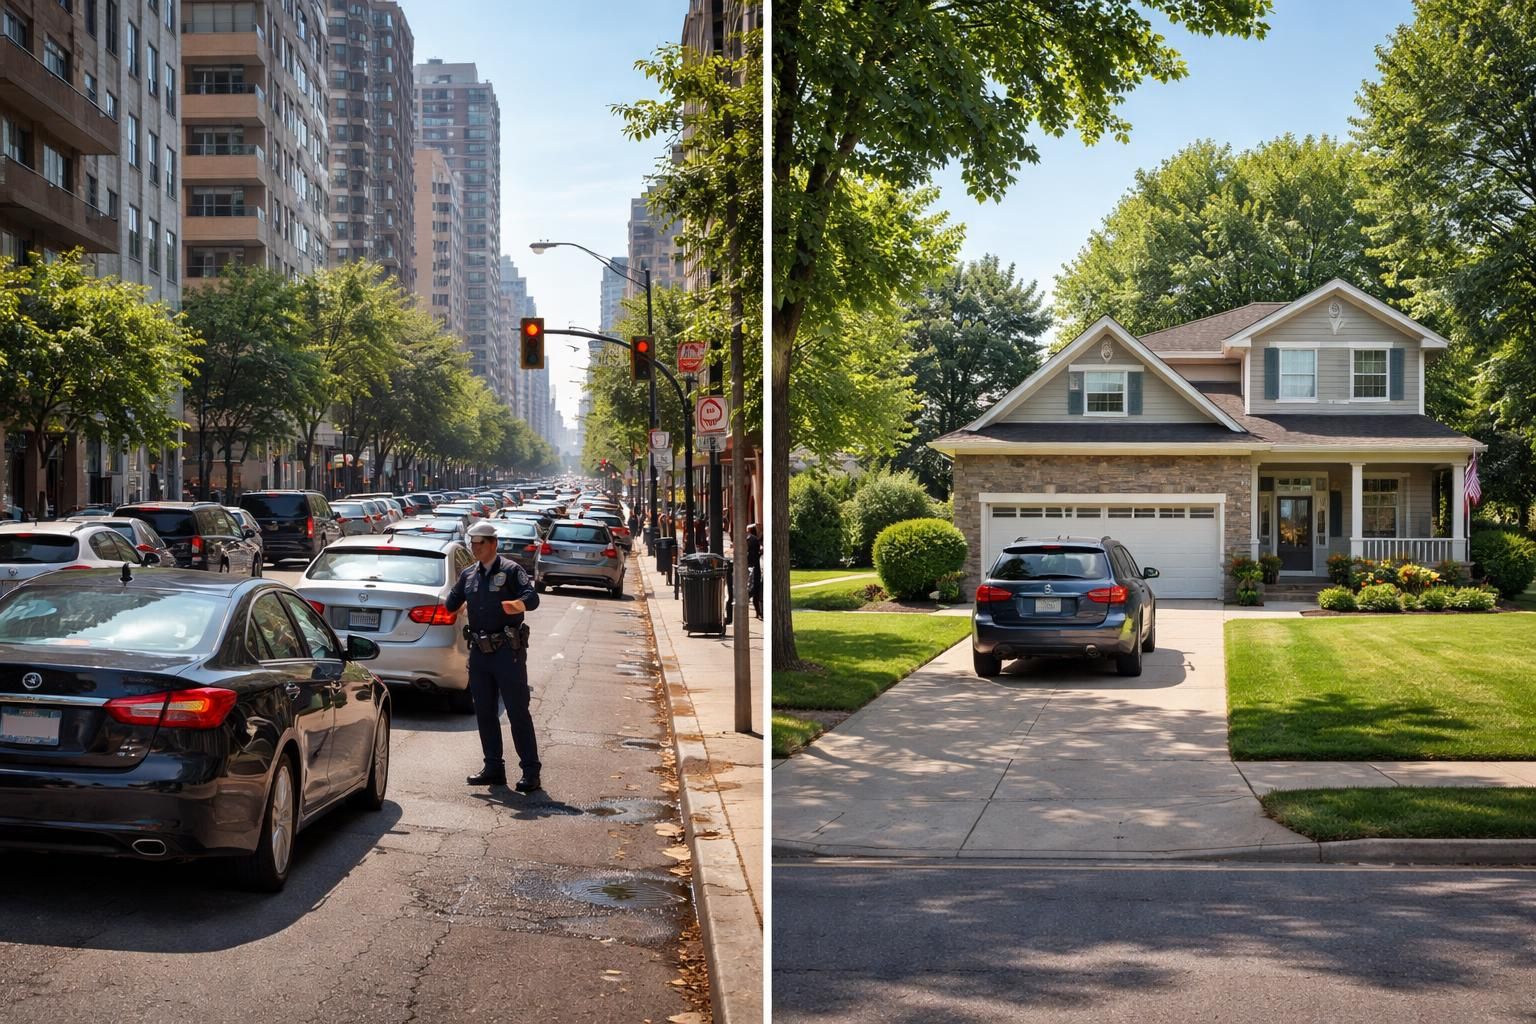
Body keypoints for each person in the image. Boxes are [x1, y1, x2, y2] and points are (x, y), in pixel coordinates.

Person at [446, 520, 543, 792]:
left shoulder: (512, 571)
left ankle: (530, 771)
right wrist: (457, 602)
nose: (474, 549)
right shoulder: (468, 575)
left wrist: (517, 605)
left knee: (516, 710)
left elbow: (531, 598)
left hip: (507, 653)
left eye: (479, 544)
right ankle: (493, 767)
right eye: (472, 544)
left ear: (493, 544)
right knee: (485, 712)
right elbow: (451, 603)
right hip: (479, 653)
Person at [746, 522, 763, 620]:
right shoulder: (756, 540)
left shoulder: (750, 539)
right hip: (754, 565)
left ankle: (758, 612)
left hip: (751, 566)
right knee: (755, 590)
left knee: (752, 588)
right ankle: (758, 612)